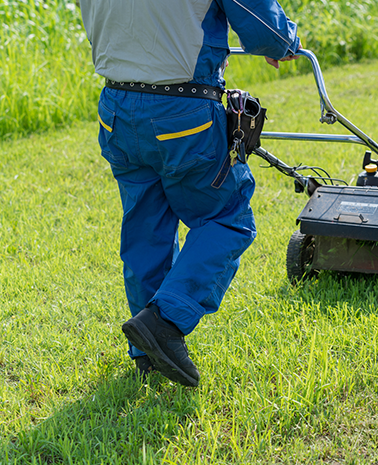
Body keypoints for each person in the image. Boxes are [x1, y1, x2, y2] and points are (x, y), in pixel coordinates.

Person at [79, 0, 301, 386]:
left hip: (115, 106)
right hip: (182, 108)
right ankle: (164, 321)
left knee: (146, 229)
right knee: (226, 218)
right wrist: (285, 42)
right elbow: (266, 30)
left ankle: (147, 354)